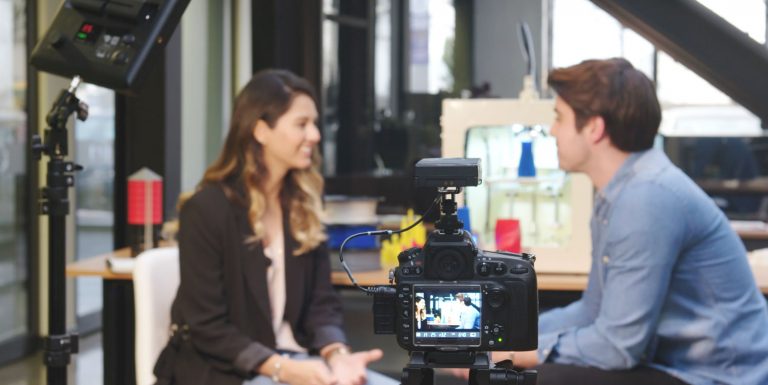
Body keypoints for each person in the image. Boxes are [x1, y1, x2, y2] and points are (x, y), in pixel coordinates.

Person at [455, 58, 768, 385]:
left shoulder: (645, 198)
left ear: (594, 128)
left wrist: (512, 354)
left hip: (721, 376)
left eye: (559, 118)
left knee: (527, 378)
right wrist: (499, 334)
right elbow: (592, 313)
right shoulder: (617, 194)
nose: (552, 131)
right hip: (679, 365)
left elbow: (618, 346)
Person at [154, 69, 397, 385]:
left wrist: (337, 355)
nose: (315, 135)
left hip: (294, 362)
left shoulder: (301, 206)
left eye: (314, 123)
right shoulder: (206, 209)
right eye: (301, 124)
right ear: (260, 131)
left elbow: (320, 304)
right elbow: (207, 327)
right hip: (227, 372)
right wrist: (284, 369)